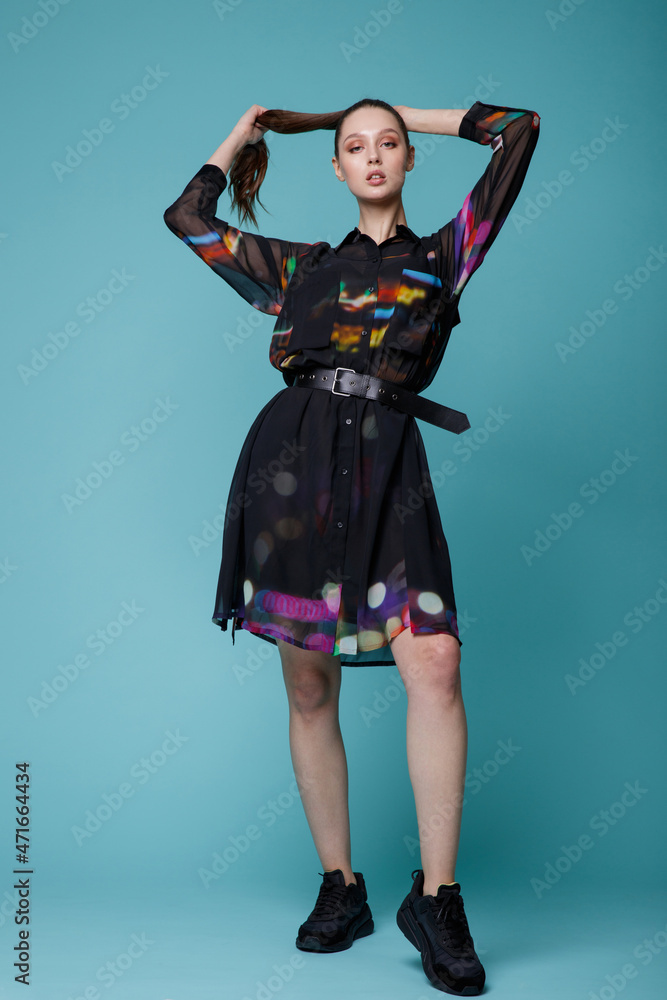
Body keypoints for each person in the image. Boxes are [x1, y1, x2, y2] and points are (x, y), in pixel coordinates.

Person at [163, 96, 540, 996]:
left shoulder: (445, 256)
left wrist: (373, 106)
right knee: (305, 682)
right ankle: (341, 888)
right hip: (290, 472)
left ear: (408, 159)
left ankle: (437, 899)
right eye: (352, 147)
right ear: (335, 170)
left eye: (387, 145)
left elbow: (517, 129)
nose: (371, 156)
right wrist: (249, 133)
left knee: (436, 663)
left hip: (389, 472)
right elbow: (187, 218)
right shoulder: (301, 266)